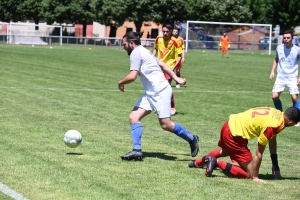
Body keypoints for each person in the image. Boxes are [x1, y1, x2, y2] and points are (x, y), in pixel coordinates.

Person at [119, 31, 199, 160]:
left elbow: (132, 76)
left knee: (166, 125)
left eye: (124, 44)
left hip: (160, 91)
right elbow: (161, 64)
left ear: (131, 43)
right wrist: (176, 78)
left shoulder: (136, 53)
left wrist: (121, 82)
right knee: (134, 117)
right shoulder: (143, 51)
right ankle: (137, 151)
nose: (123, 47)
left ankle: (191, 138)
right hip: (151, 92)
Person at [189, 107, 300, 182]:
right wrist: (255, 177)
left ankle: (197, 163)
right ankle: (216, 162)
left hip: (228, 125)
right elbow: (258, 153)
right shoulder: (274, 125)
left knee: (225, 152)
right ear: (290, 122)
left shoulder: (278, 114)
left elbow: (272, 140)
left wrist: (275, 165)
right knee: (249, 174)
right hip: (234, 135)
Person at [269, 30, 300, 126]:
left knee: (294, 97)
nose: (286, 40)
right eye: (285, 38)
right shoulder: (279, 48)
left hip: (292, 77)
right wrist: (272, 71)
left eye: (288, 38)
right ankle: (280, 114)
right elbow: (276, 59)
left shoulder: (297, 50)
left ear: (292, 39)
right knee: (274, 96)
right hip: (281, 76)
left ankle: (298, 119)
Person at [153, 24, 182, 115]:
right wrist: (150, 59)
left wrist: (173, 67)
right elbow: (155, 50)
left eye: (167, 31)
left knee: (166, 86)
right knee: (158, 87)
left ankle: (172, 107)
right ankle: (161, 106)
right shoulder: (158, 38)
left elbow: (179, 56)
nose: (165, 33)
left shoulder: (175, 41)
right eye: (163, 31)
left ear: (171, 32)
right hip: (158, 66)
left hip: (169, 67)